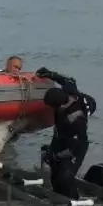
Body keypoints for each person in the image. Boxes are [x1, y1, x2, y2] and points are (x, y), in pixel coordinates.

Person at [37, 67, 96, 197]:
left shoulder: (76, 118)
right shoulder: (68, 90)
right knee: (54, 166)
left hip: (75, 141)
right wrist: (51, 74)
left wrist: (72, 167)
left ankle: (73, 202)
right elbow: (68, 80)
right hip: (62, 132)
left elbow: (83, 144)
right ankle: (57, 197)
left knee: (65, 176)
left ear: (59, 106)